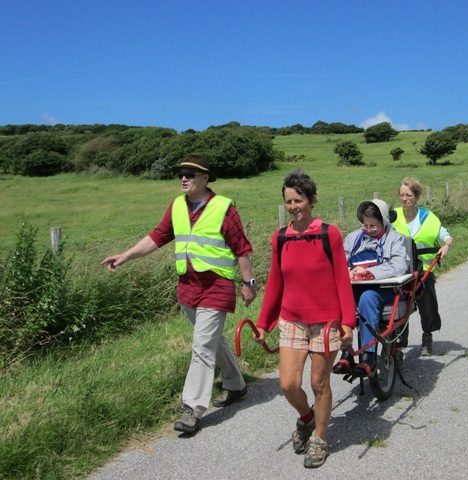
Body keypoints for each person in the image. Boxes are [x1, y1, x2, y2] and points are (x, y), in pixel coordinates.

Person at [101, 155, 256, 434]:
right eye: (181, 174)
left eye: (191, 174)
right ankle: (235, 384)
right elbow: (157, 237)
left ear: (206, 178)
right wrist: (125, 256)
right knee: (210, 341)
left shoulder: (223, 208)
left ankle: (192, 409)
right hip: (187, 288)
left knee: (201, 347)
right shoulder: (177, 206)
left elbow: (241, 248)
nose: (183, 178)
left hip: (216, 287)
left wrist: (249, 283)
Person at [255, 169, 355, 469]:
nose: (293, 207)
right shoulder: (281, 237)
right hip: (292, 320)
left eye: (298, 200)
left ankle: (320, 438)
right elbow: (275, 282)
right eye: (288, 202)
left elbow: (342, 280)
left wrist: (348, 320)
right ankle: (307, 418)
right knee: (287, 384)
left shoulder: (329, 234)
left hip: (326, 323)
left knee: (319, 383)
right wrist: (263, 322)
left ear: (312, 200)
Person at [334, 199, 410, 376]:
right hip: (357, 286)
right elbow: (339, 262)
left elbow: (399, 265)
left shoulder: (395, 238)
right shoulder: (353, 238)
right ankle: (347, 352)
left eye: (373, 226)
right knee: (341, 298)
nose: (368, 229)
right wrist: (349, 272)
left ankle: (369, 357)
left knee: (368, 297)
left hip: (385, 289)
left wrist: (371, 272)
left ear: (383, 222)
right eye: (365, 225)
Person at [391, 177, 453, 356]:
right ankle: (398, 347)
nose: (404, 199)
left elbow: (446, 235)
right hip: (401, 271)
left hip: (424, 270)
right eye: (402, 195)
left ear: (416, 197)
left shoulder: (428, 217)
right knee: (399, 308)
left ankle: (427, 335)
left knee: (427, 305)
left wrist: (446, 246)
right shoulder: (393, 216)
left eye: (408, 195)